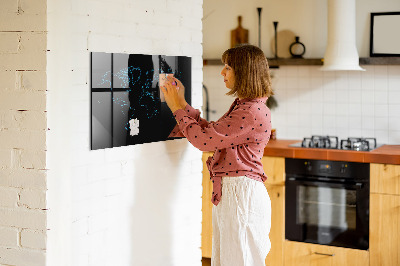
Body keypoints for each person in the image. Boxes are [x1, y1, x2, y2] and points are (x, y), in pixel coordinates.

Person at [161, 44, 273, 266]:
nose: (222, 72)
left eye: (228, 67)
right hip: (236, 193)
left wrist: (176, 108)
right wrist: (182, 103)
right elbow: (212, 133)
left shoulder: (250, 111)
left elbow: (204, 141)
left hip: (241, 195)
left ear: (244, 72)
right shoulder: (246, 106)